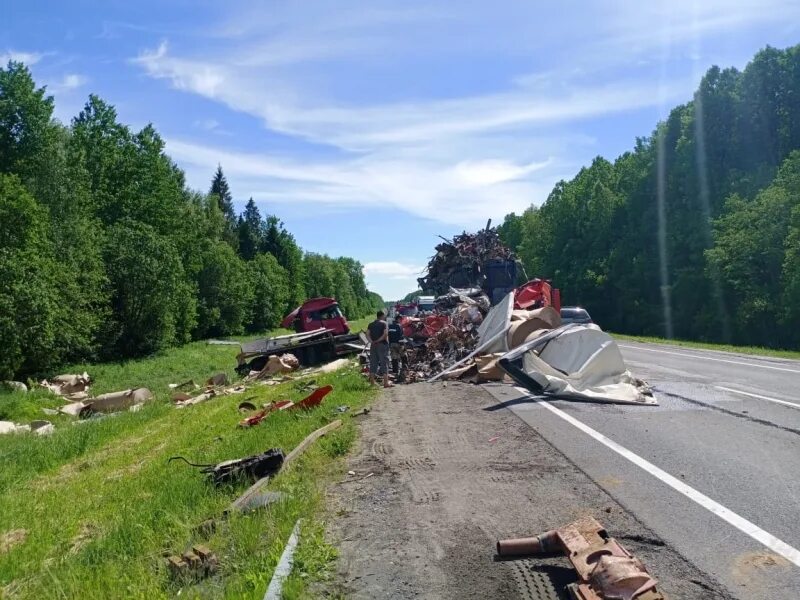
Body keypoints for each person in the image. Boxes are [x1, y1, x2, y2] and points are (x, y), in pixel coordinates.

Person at [367, 310, 391, 387]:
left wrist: (372, 341)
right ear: (382, 316)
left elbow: (367, 334)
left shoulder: (370, 324)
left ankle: (372, 384)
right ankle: (386, 383)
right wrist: (378, 340)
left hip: (373, 345)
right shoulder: (384, 323)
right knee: (384, 363)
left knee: (373, 363)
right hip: (382, 345)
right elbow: (385, 334)